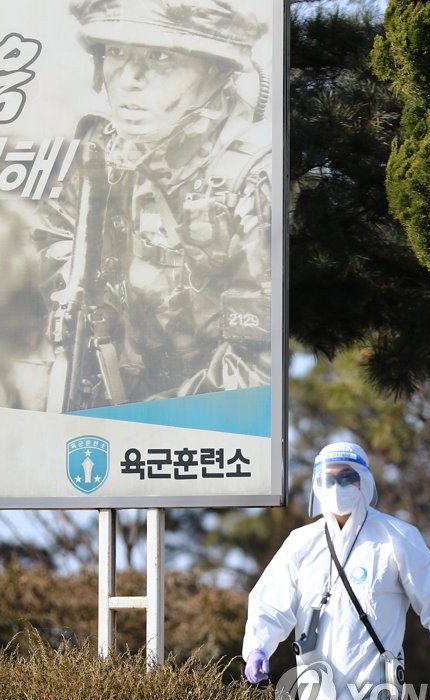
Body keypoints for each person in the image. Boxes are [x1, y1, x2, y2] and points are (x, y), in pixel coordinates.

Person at [35, 0, 273, 412]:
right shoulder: (100, 153)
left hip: (206, 423)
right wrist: (88, 319)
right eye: (117, 52)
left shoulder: (255, 176)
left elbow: (260, 366)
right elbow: (55, 237)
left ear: (216, 69)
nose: (130, 78)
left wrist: (144, 417)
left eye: (160, 57)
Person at [242, 442, 430, 700]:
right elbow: (271, 603)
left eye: (347, 477)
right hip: (317, 689)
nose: (337, 486)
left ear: (364, 481)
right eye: (329, 479)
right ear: (317, 484)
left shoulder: (395, 537)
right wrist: (257, 647)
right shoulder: (301, 544)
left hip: (373, 690)